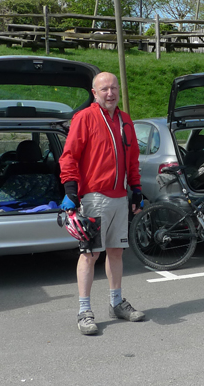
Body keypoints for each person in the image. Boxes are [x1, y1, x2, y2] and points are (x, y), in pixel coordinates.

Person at [59, 72, 145, 335]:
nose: (110, 93)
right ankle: (84, 311)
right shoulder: (84, 118)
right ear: (94, 93)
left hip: (119, 197)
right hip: (95, 197)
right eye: (104, 89)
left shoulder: (125, 120)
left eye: (114, 88)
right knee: (90, 254)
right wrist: (71, 191)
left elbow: (132, 159)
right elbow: (69, 156)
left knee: (116, 252)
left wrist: (137, 189)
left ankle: (116, 303)